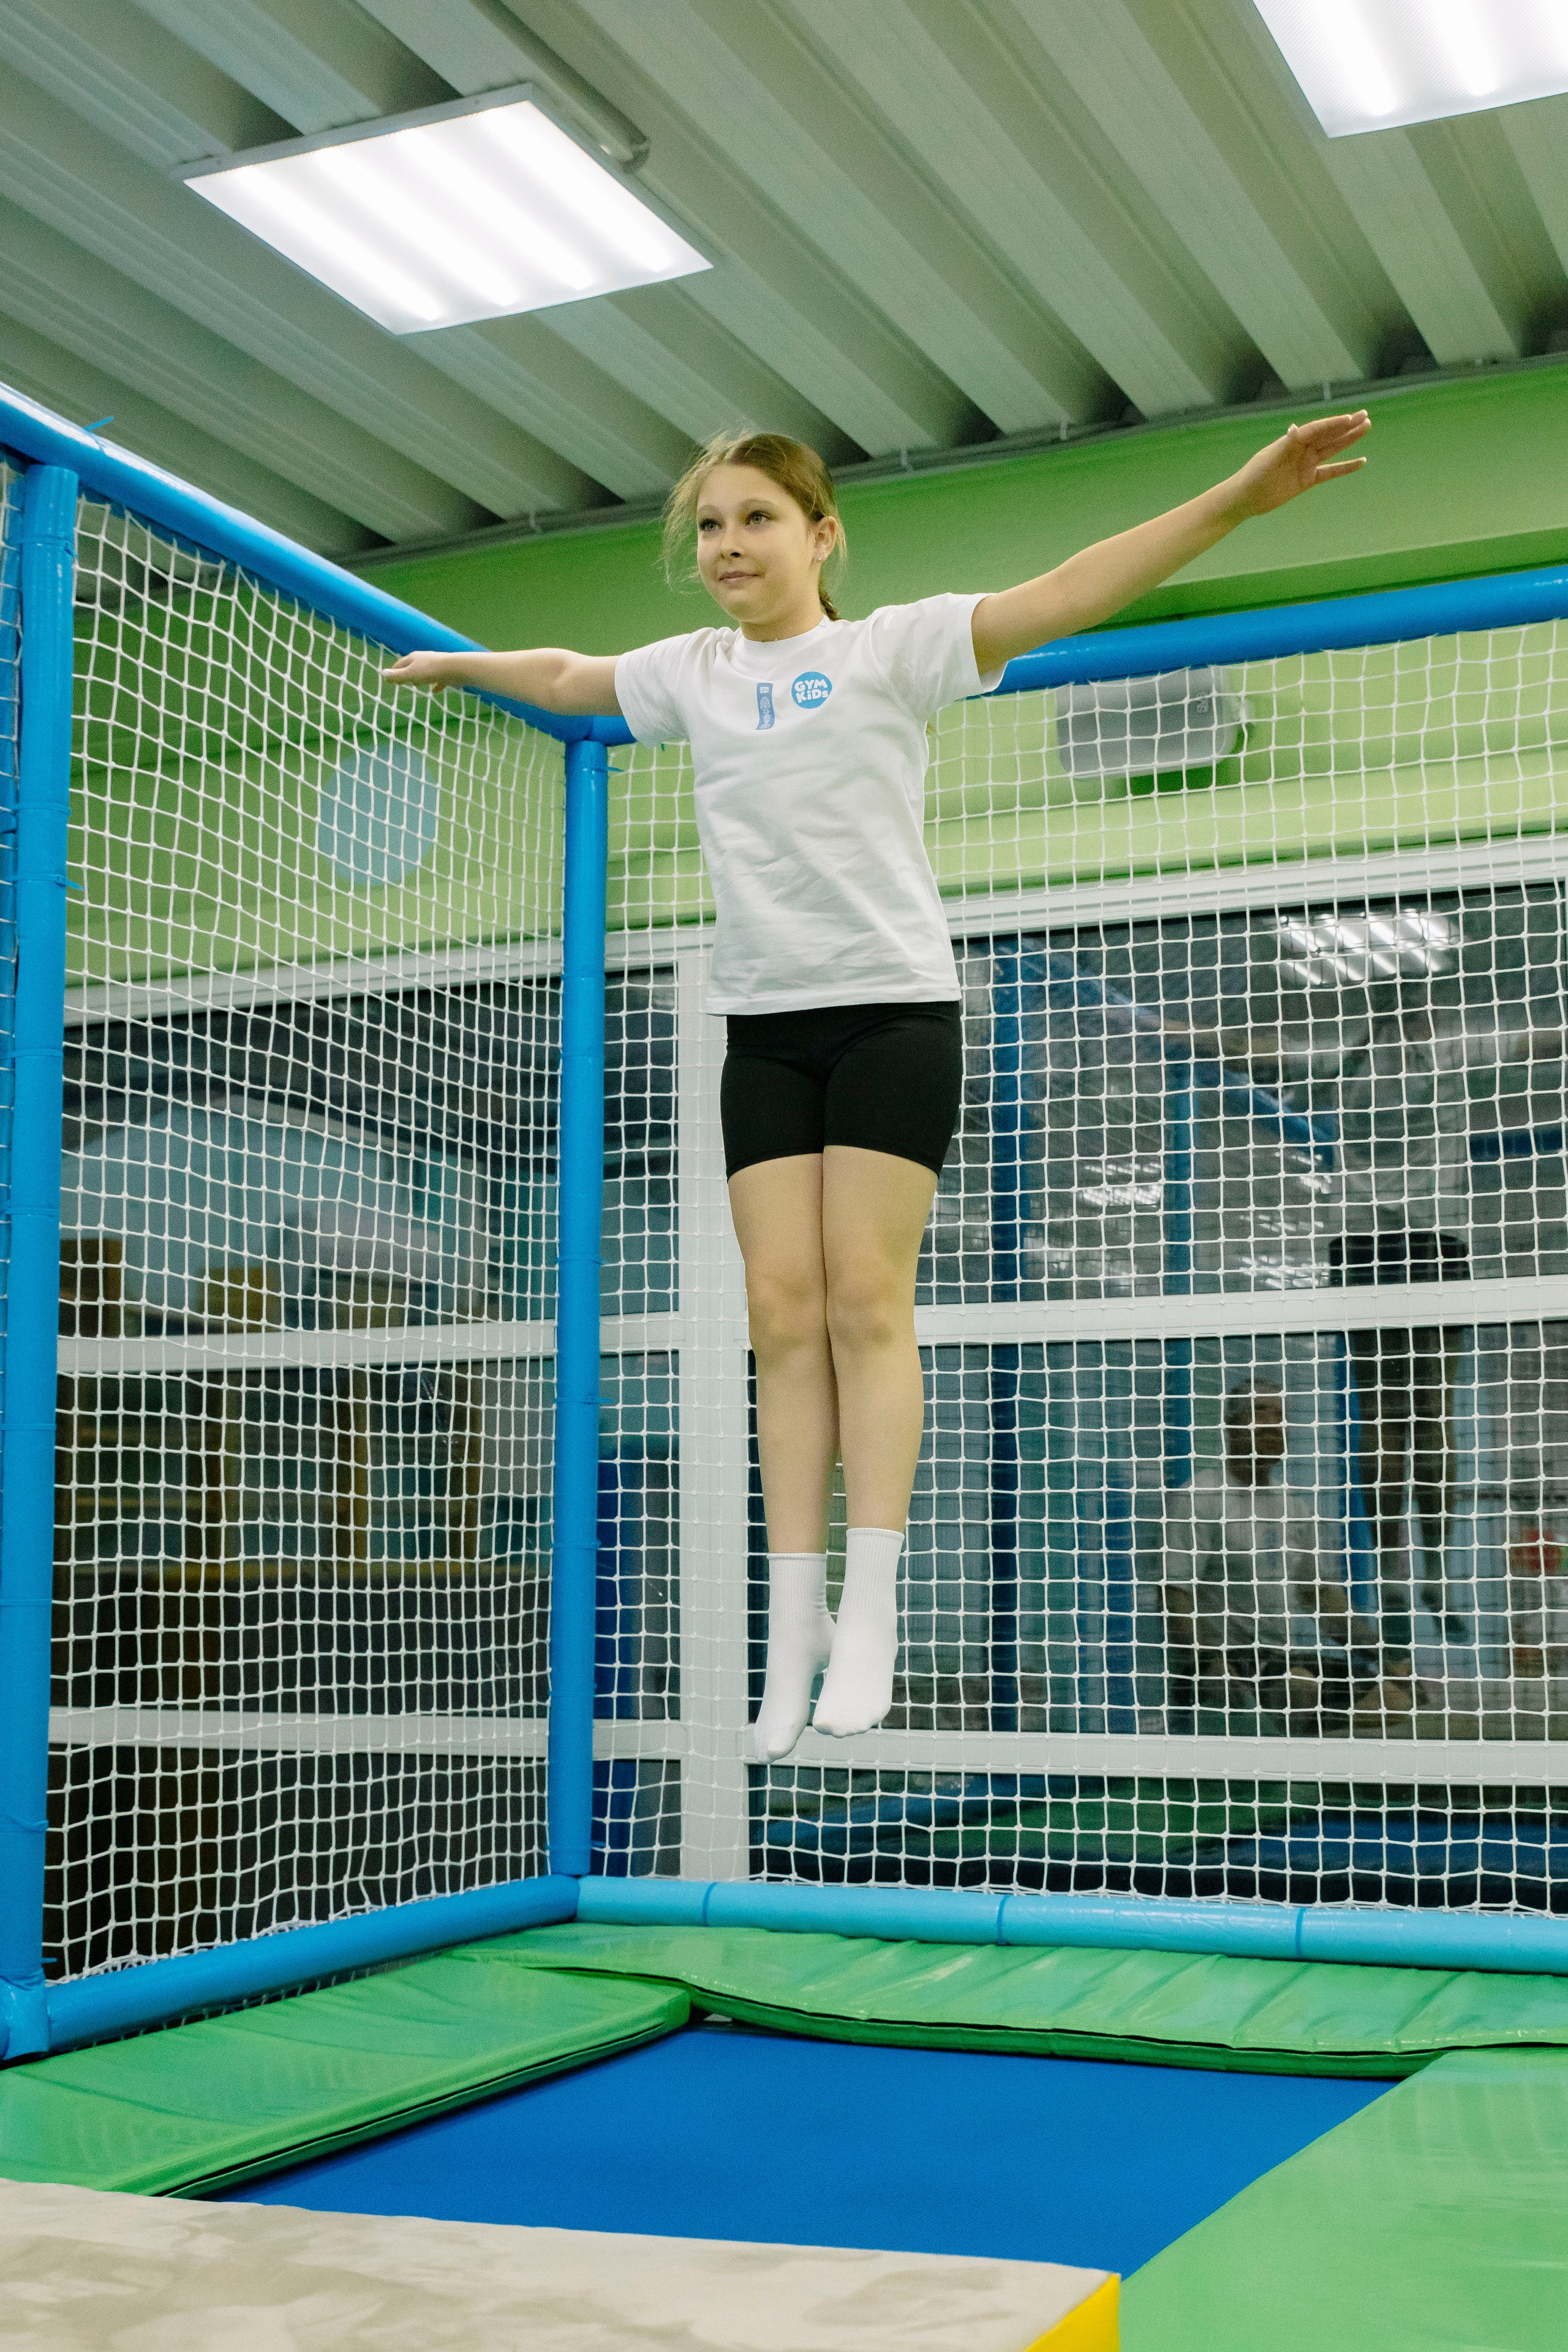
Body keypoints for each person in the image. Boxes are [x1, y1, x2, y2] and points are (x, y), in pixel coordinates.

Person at [386, 410, 1371, 1762]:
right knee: (778, 1316)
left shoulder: (886, 649)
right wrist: (462, 661)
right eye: (712, 527)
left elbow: (1071, 587)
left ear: (819, 533)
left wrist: (1239, 501)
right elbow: (568, 673)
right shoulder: (691, 673)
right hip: (763, 1025)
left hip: (891, 1011)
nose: (730, 546)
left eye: (756, 520)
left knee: (863, 1299)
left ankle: (870, 1606)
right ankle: (789, 1623)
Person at [1169, 987, 1565, 1651]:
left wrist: (1170, 1028)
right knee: (1425, 1411)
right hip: (1429, 1243)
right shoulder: (1442, 1045)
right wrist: (1173, 1030)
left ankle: (1398, 1568)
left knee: (1385, 1413)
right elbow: (1540, 1041)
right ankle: (1423, 1564)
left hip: (1363, 1249)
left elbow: (1252, 1051)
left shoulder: (1344, 1051)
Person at [1162, 1378, 1408, 1730]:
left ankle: (1296, 1745)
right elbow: (1175, 1595)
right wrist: (1206, 1662)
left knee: (1397, 1699)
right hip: (1227, 1660)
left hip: (1281, 1658)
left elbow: (1319, 1596)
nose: (1273, 1423)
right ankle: (1281, 1755)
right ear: (1232, 1426)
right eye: (1262, 1412)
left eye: (1280, 1416)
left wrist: (1384, 1657)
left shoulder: (1293, 1508)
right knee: (1300, 1686)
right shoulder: (1198, 1498)